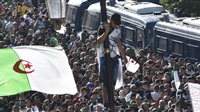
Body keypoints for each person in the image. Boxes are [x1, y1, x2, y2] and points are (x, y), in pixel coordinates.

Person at [97, 13, 128, 109]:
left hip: (114, 57)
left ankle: (112, 98)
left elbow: (118, 43)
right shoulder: (102, 28)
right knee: (105, 81)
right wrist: (106, 32)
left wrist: (124, 56)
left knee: (113, 81)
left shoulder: (117, 30)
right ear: (111, 20)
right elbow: (99, 41)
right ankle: (105, 100)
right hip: (104, 57)